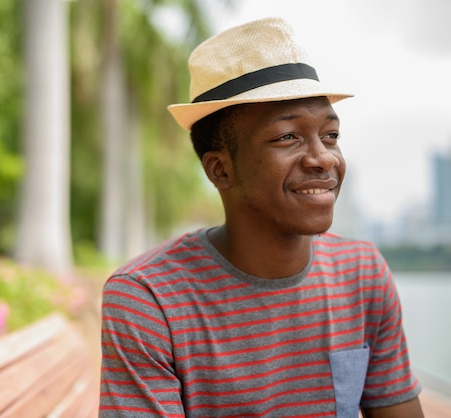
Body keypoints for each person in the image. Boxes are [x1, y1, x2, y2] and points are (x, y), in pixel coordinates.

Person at [98, 17, 423, 418]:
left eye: (330, 135)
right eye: (287, 137)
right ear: (220, 170)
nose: (323, 158)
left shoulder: (362, 272)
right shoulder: (149, 300)